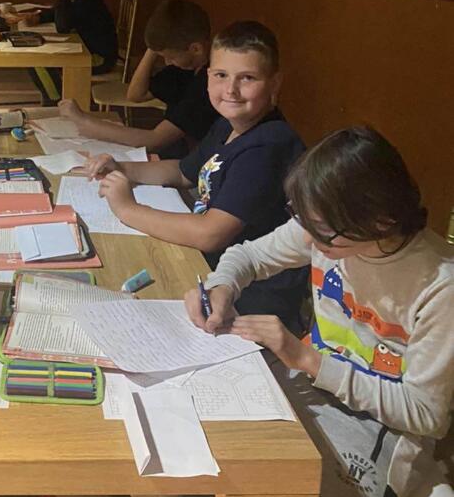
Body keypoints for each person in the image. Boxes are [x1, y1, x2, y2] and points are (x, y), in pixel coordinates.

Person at [136, 127, 454, 497]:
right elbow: (248, 254)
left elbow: (425, 415)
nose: (310, 241)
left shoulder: (439, 284)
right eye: (304, 223)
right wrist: (222, 287)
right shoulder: (323, 228)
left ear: (379, 221)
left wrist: (307, 359)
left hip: (383, 427)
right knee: (159, 435)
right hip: (306, 383)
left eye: (323, 234)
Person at [85, 20, 309, 328]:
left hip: (249, 297)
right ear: (208, 77)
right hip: (209, 270)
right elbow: (183, 171)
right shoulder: (229, 125)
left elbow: (210, 234)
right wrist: (121, 167)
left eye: (247, 78)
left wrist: (127, 209)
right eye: (221, 75)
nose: (230, 90)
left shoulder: (268, 146)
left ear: (275, 83)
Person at [58, 0, 216, 158]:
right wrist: (153, 48)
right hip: (176, 152)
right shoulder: (185, 69)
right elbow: (136, 94)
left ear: (196, 49)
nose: (168, 62)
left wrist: (84, 121)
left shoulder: (208, 83)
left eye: (171, 57)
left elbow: (155, 140)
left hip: (192, 159)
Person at [12, 0, 117, 103]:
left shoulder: (87, 0)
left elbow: (63, 26)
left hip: (99, 58)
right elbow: (57, 12)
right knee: (36, 58)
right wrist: (38, 17)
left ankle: (56, 100)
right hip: (87, 50)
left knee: (39, 60)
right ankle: (56, 97)